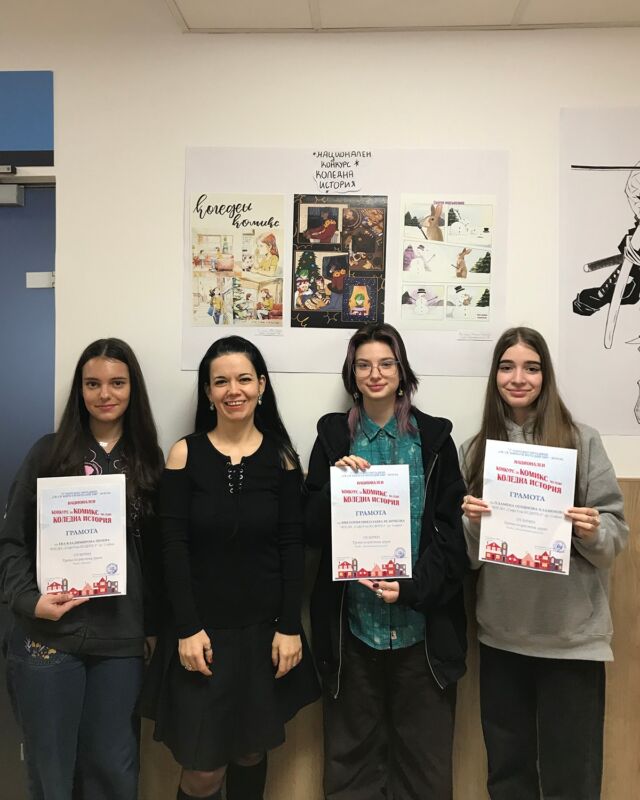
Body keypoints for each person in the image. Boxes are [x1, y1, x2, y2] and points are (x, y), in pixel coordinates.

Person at [143, 336, 319, 800]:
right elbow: (172, 548)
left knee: (250, 754)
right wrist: (187, 628)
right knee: (203, 771)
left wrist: (289, 627)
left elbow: (291, 547)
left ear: (261, 385)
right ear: (208, 392)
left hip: (263, 636)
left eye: (243, 379)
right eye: (220, 381)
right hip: (201, 636)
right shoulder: (184, 454)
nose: (233, 390)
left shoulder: (282, 459)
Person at [459, 326, 628, 800]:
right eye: (507, 367)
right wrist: (472, 524)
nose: (518, 378)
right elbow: (468, 559)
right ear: (494, 376)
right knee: (507, 775)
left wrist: (592, 530)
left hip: (572, 640)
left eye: (531, 368)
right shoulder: (475, 450)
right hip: (502, 636)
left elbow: (615, 538)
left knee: (571, 779)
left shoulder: (581, 441)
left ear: (545, 375)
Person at [305, 322, 468, 800]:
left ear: (402, 372)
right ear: (352, 375)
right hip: (352, 632)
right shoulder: (333, 439)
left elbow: (452, 541)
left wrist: (414, 589)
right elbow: (308, 528)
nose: (375, 374)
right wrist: (333, 487)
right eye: (363, 365)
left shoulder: (434, 440)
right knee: (351, 772)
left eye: (386, 363)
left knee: (425, 772)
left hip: (423, 633)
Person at [0, 338, 163, 800]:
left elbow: (156, 557)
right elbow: (11, 540)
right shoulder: (49, 453)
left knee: (113, 768)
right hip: (47, 635)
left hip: (121, 639)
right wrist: (29, 600)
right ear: (80, 390)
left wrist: (152, 626)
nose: (104, 394)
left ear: (133, 389)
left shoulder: (150, 458)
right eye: (93, 384)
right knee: (51, 772)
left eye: (117, 383)